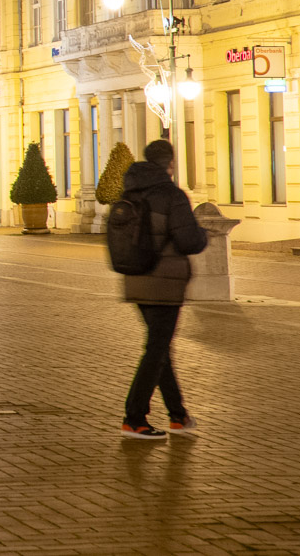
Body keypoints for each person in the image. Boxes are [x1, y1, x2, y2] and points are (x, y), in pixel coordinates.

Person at [119, 138, 208, 439]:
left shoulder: (130, 192)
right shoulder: (171, 195)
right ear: (169, 163)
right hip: (165, 282)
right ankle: (134, 417)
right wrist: (203, 233)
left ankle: (178, 416)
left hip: (136, 278)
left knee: (160, 349)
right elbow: (189, 242)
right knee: (156, 349)